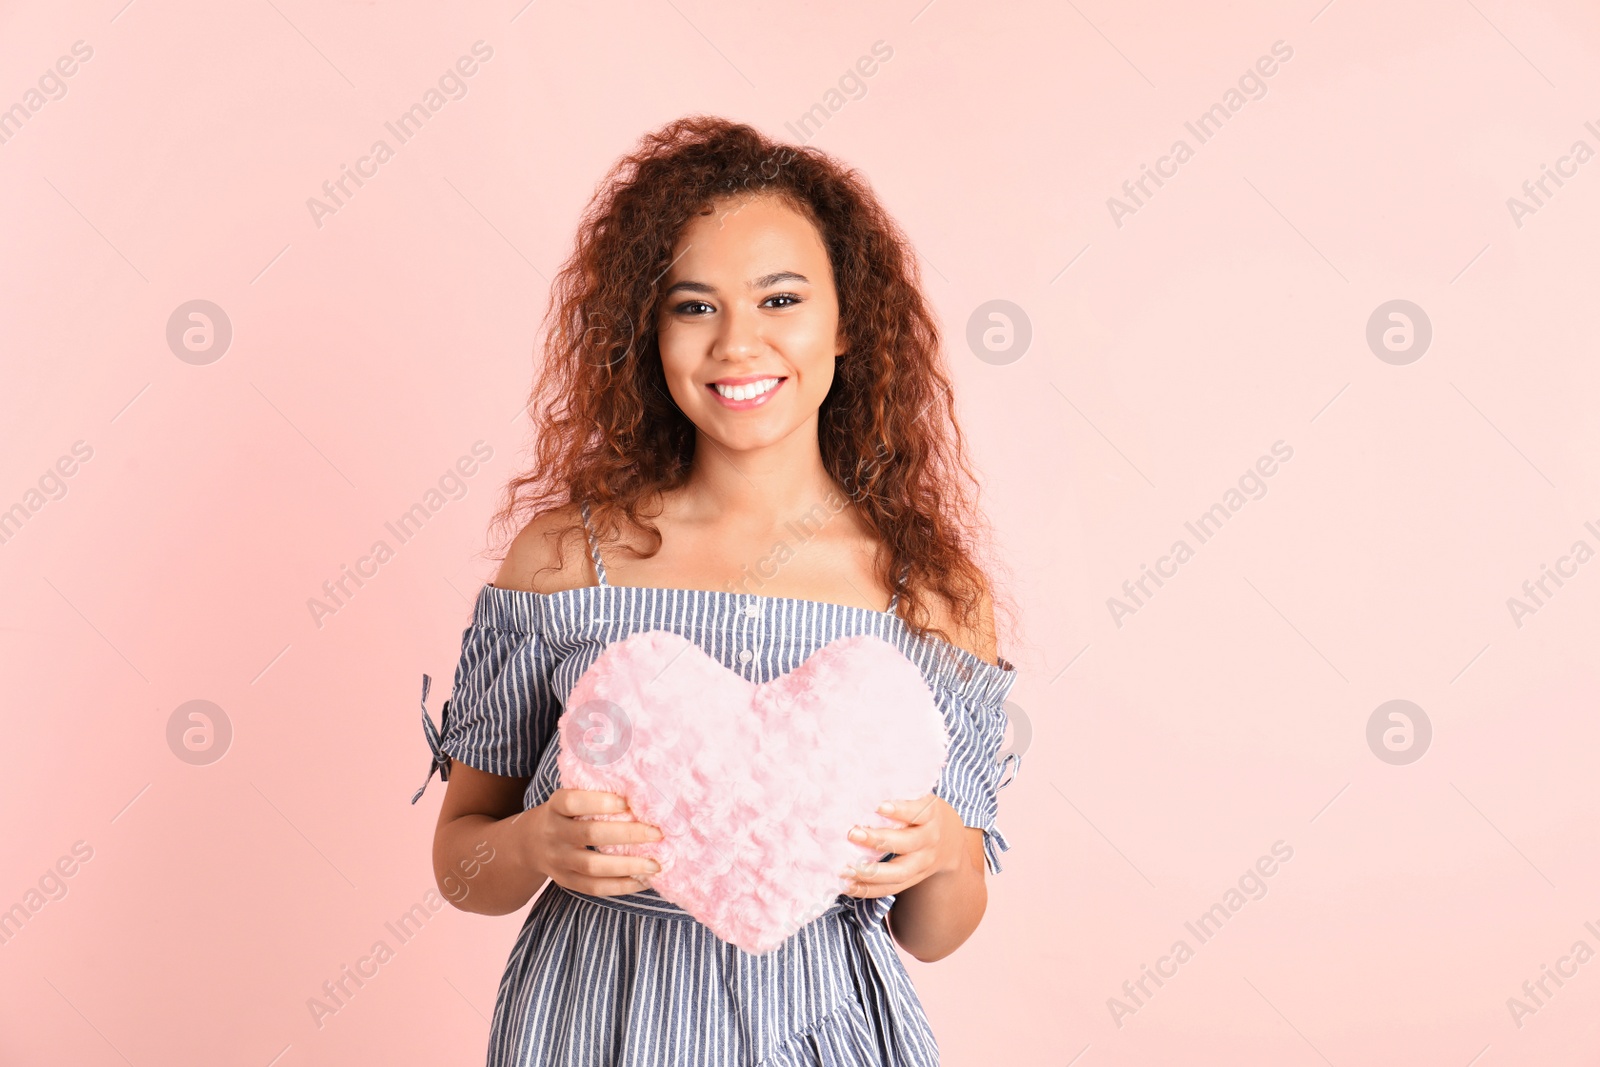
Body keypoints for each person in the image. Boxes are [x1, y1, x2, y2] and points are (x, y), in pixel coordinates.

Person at [412, 115, 1021, 1066]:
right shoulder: (567, 563)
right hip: (592, 1029)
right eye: (694, 306)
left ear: (846, 319)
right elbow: (462, 864)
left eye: (781, 299)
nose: (739, 344)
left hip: (826, 1033)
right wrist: (535, 847)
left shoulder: (931, 597)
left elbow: (935, 930)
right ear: (648, 332)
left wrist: (944, 848)